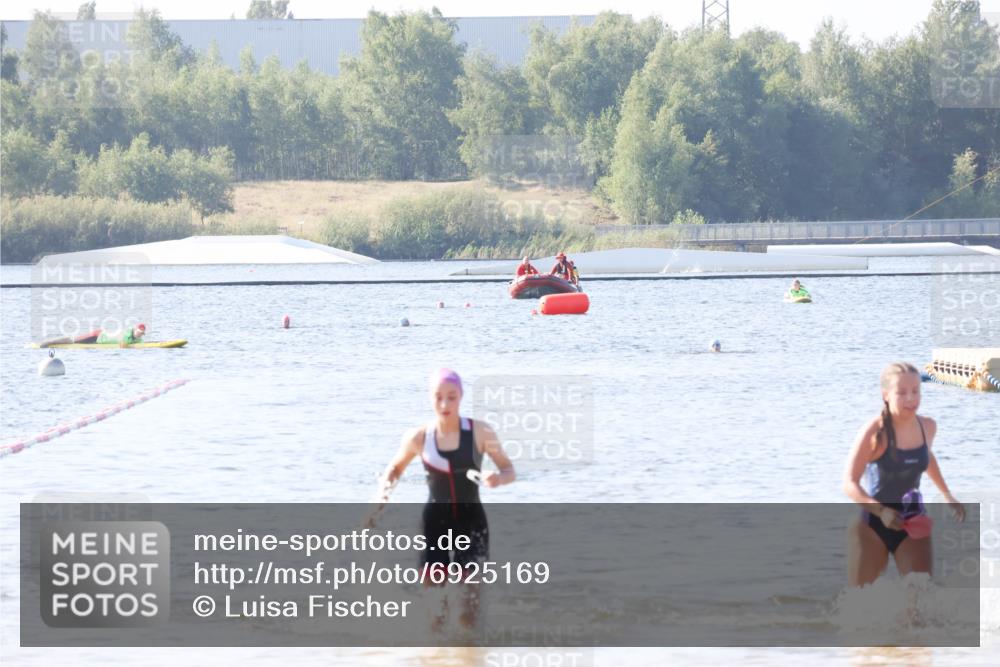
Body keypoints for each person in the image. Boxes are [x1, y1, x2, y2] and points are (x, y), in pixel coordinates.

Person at [374, 369, 516, 629]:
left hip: (472, 525)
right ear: (430, 398)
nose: (444, 404)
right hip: (434, 526)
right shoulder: (419, 437)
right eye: (438, 397)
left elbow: (509, 469)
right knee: (435, 614)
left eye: (451, 397)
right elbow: (393, 471)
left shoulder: (481, 432)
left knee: (469, 610)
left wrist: (498, 478)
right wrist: (375, 511)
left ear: (461, 396)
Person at [842, 362, 965, 587]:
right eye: (902, 392)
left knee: (919, 605)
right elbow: (849, 483)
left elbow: (927, 458)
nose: (911, 399)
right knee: (859, 606)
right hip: (872, 525)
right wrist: (882, 511)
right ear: (886, 394)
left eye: (916, 391)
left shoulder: (927, 427)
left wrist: (947, 494)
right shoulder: (875, 432)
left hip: (913, 523)